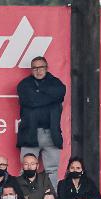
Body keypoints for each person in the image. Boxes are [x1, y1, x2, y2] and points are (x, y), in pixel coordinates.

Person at [16, 57, 65, 185]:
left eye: (41, 67)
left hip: (52, 134)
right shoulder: (24, 84)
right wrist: (50, 97)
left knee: (52, 171)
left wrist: (38, 93)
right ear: (31, 70)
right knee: (26, 169)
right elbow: (30, 101)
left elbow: (61, 92)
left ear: (46, 68)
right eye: (35, 68)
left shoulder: (56, 83)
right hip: (30, 133)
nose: (38, 71)